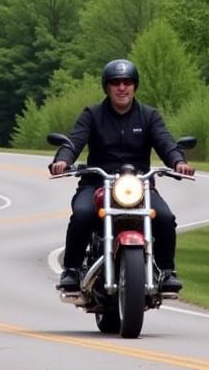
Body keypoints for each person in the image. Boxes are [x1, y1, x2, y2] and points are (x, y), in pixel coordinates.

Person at [48, 59, 194, 294]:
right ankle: (72, 270)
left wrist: (179, 162)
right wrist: (63, 159)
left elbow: (166, 143)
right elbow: (74, 141)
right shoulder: (93, 114)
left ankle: (167, 271)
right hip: (98, 182)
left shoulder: (149, 116)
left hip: (139, 185)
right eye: (116, 83)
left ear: (134, 86)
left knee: (165, 217)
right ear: (107, 87)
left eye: (127, 82)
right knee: (83, 213)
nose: (122, 88)